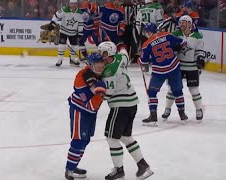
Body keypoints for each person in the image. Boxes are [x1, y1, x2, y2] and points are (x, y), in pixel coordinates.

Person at [98, 42, 153, 180]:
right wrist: (122, 45)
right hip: (132, 103)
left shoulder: (109, 71)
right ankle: (143, 166)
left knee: (112, 138)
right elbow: (124, 51)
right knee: (125, 137)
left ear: (110, 53)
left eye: (103, 53)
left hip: (120, 106)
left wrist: (95, 89)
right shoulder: (121, 58)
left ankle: (119, 171)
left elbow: (108, 95)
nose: (101, 56)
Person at [65, 52, 107, 180]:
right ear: (91, 65)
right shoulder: (80, 78)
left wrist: (98, 87)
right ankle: (69, 170)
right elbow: (91, 105)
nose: (101, 68)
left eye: (102, 65)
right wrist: (100, 91)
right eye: (98, 66)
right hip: (80, 111)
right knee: (78, 140)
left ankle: (74, 164)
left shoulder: (94, 75)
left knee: (86, 139)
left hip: (90, 113)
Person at [140, 23, 188, 126]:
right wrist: (176, 48)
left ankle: (153, 116)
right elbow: (183, 43)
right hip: (173, 68)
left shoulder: (146, 44)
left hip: (159, 71)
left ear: (149, 32)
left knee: (152, 93)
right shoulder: (166, 35)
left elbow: (143, 63)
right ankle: (182, 114)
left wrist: (140, 59)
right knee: (177, 91)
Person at [162, 15, 205, 122]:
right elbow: (168, 48)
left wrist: (200, 59)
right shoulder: (175, 34)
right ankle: (167, 109)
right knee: (172, 89)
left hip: (192, 67)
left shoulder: (197, 36)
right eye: (180, 22)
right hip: (177, 67)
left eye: (184, 22)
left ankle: (199, 109)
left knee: (194, 89)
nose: (181, 24)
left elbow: (199, 51)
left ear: (190, 24)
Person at [49, 0, 83, 67]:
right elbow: (56, 16)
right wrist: (52, 23)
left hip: (74, 32)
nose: (73, 5)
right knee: (61, 46)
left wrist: (80, 32)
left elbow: (80, 23)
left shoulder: (80, 12)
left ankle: (72, 60)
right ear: (69, 4)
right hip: (64, 31)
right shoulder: (64, 10)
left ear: (76, 4)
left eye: (74, 4)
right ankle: (60, 60)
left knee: (74, 47)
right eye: (71, 4)